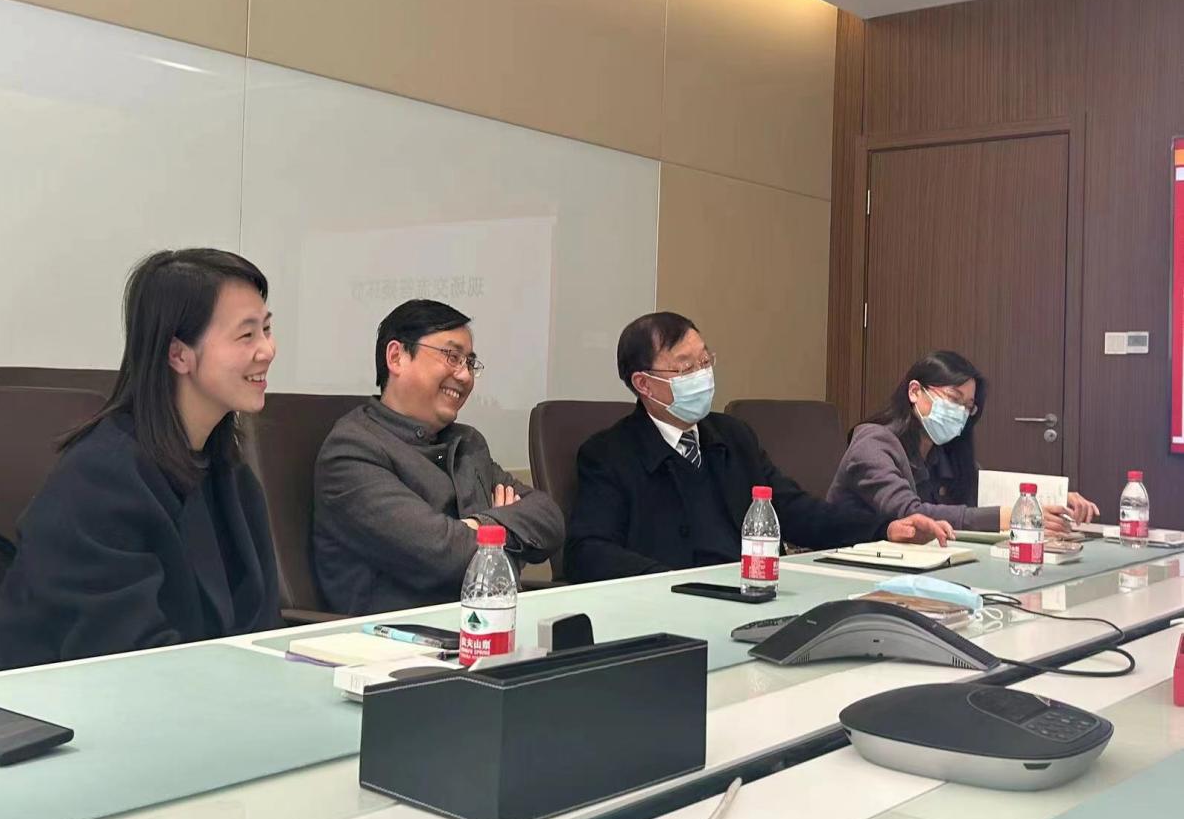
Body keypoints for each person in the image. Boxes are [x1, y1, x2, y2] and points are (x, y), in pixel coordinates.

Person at [0, 249, 282, 669]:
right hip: (87, 700)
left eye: (267, 329)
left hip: (203, 695)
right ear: (178, 354)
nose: (267, 350)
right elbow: (121, 655)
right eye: (246, 335)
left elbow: (262, 631)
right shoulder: (101, 478)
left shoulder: (232, 477)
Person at [565, 312, 953, 582]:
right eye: (685, 368)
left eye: (705, 360)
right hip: (671, 610)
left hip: (754, 595)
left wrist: (884, 528)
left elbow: (795, 510)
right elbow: (588, 551)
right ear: (644, 384)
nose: (702, 374)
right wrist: (666, 581)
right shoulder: (609, 454)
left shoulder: (733, 436)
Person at [313, 299, 564, 615]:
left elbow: (549, 519)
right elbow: (444, 555)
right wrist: (504, 534)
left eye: (470, 362)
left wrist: (480, 527)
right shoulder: (353, 450)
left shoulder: (468, 444)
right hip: (400, 635)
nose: (465, 376)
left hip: (489, 624)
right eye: (452, 357)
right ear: (397, 357)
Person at [826, 350, 1099, 532]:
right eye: (954, 399)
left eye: (968, 406)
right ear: (914, 391)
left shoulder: (943, 451)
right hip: (851, 565)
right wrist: (1009, 517)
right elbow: (911, 514)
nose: (960, 412)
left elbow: (985, 489)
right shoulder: (872, 442)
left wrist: (1051, 497)